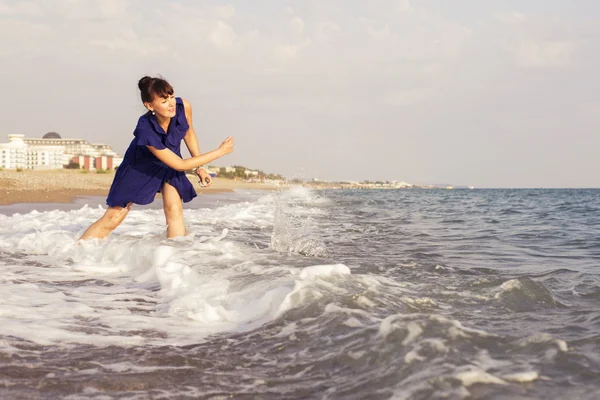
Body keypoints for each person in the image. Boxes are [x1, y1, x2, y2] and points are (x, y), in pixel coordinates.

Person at [80, 76, 234, 241]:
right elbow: (180, 165)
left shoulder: (184, 107)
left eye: (171, 97)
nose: (171, 104)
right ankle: (76, 253)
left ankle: (174, 257)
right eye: (164, 101)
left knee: (173, 209)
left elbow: (189, 133)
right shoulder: (145, 129)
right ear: (149, 105)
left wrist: (200, 167)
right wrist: (220, 152)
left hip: (170, 162)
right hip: (140, 167)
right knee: (114, 217)